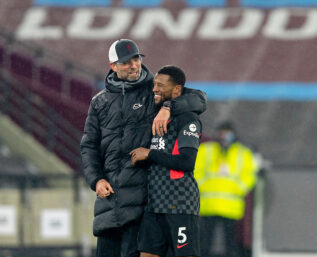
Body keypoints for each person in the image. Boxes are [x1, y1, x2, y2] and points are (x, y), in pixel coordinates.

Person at [80, 39, 206, 257]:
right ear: (113, 66)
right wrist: (96, 179)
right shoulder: (99, 102)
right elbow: (89, 146)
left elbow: (199, 99)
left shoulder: (154, 92)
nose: (134, 65)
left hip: (142, 201)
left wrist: (169, 107)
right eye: (127, 62)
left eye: (136, 59)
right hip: (109, 202)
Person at [130, 65, 202, 257]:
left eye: (161, 85)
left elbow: (187, 162)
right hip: (154, 204)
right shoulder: (155, 115)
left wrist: (150, 154)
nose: (155, 89)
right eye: (154, 84)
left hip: (179, 203)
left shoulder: (188, 119)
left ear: (177, 89)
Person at [194, 121, 258, 257]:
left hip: (231, 207)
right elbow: (195, 171)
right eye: (221, 133)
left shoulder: (243, 153)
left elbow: (250, 175)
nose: (224, 137)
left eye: (227, 133)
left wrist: (238, 189)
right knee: (205, 244)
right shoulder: (206, 150)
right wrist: (203, 186)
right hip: (208, 206)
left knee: (230, 245)